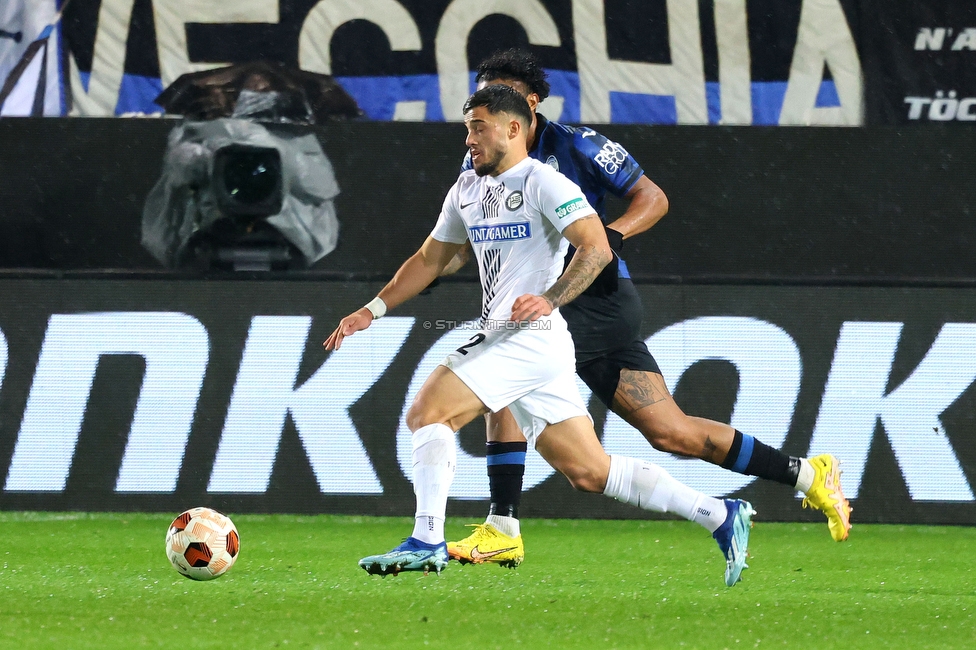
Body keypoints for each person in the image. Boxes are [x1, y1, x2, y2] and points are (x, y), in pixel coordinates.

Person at [324, 85, 755, 587]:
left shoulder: (544, 182)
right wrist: (372, 310)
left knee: (428, 412)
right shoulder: (465, 188)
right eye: (467, 129)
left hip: (527, 336)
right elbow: (429, 260)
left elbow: (596, 248)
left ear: (513, 128)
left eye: (478, 127)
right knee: (590, 471)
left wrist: (551, 297)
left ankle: (426, 539)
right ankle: (718, 514)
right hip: (527, 345)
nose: (469, 140)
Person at [442, 49, 851, 570]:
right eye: (481, 100)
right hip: (557, 310)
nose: (487, 110)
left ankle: (502, 525)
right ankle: (809, 475)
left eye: (499, 98)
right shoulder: (478, 159)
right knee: (671, 432)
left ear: (530, 105)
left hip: (592, 301)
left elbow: (652, 198)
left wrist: (609, 237)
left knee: (504, 368)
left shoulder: (578, 145)